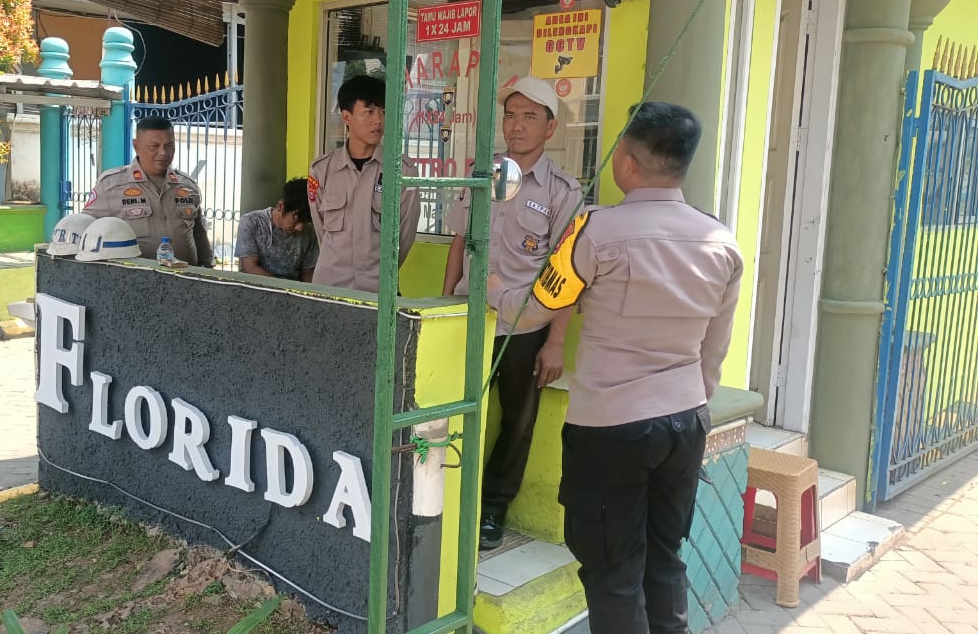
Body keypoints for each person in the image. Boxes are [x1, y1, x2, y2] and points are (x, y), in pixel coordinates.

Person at [488, 102, 743, 634]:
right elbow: (713, 353)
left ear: (628, 160)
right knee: (664, 557)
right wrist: (690, 408)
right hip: (685, 423)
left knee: (613, 574)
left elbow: (534, 310)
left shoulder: (595, 231)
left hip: (611, 430)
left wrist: (491, 289)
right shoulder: (721, 242)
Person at [441, 76, 582, 551]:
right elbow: (459, 242)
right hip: (468, 318)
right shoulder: (483, 175)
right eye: (510, 115)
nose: (516, 126)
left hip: (524, 328)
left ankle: (492, 508)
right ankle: (447, 497)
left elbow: (567, 273)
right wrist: (445, 303)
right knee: (453, 409)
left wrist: (556, 342)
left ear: (550, 128)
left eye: (529, 117)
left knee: (518, 422)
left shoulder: (562, 191)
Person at [308, 75, 420, 293]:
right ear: (347, 117)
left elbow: (405, 235)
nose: (378, 120)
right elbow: (321, 230)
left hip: (378, 290)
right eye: (369, 112)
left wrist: (381, 271)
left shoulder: (402, 171)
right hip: (330, 288)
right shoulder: (322, 170)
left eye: (383, 111)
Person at [82, 116, 214, 267]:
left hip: (186, 276)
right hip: (135, 276)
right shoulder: (110, 186)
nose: (163, 152)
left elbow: (199, 234)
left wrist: (208, 268)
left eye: (169, 146)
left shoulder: (187, 186)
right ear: (136, 146)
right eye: (154, 146)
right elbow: (85, 229)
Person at [235, 178, 320, 282]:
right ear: (280, 206)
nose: (300, 228)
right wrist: (282, 288)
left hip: (293, 289)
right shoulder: (251, 222)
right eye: (296, 218)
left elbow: (308, 274)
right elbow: (249, 268)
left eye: (305, 221)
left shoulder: (309, 230)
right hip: (256, 287)